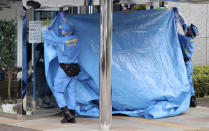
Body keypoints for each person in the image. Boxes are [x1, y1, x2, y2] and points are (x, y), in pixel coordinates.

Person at [42, 13, 79, 123]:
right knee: (72, 92)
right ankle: (72, 116)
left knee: (58, 91)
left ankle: (67, 115)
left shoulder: (61, 41)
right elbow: (72, 28)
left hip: (64, 70)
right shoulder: (76, 38)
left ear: (65, 31)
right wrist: (64, 20)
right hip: (75, 69)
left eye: (62, 29)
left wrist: (44, 29)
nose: (61, 30)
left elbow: (46, 38)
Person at [173, 7, 198, 107]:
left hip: (186, 64)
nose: (187, 28)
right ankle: (189, 99)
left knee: (188, 81)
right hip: (187, 63)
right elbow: (183, 23)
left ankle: (192, 100)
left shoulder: (186, 40)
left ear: (190, 32)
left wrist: (174, 20)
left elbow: (174, 33)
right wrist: (178, 13)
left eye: (188, 29)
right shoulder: (190, 36)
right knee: (187, 81)